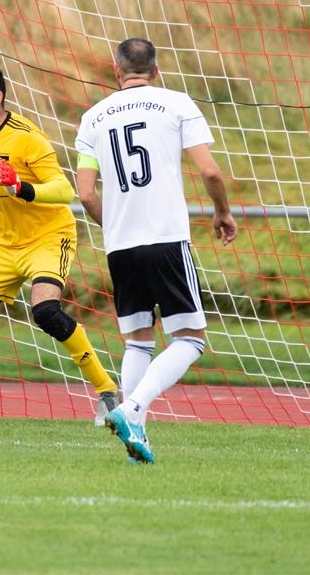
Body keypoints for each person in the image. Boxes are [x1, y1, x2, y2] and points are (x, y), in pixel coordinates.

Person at [75, 37, 237, 464]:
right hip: (165, 238)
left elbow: (86, 192)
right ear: (156, 70)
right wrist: (222, 212)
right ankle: (131, 409)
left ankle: (136, 439)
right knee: (190, 340)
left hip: (121, 244)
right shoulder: (176, 103)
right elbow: (209, 170)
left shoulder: (93, 117)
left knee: (138, 342)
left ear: (116, 71)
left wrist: (115, 224)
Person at [0, 63, 120, 423]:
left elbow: (64, 189)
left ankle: (108, 392)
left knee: (46, 312)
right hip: (3, 245)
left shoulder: (27, 136)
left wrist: (21, 186)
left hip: (48, 239)